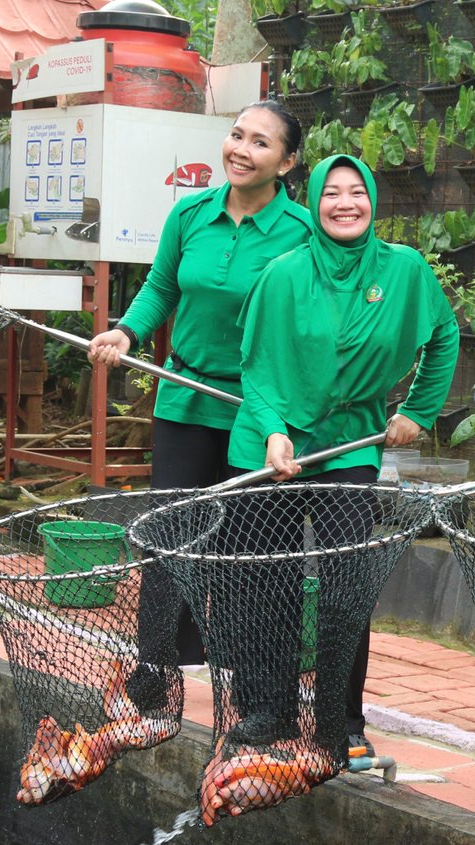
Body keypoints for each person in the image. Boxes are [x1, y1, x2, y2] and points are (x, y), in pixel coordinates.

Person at [221, 153, 458, 762]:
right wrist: (275, 433)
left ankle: (340, 719)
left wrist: (418, 412)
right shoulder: (283, 275)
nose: (345, 203)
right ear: (315, 202)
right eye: (332, 193)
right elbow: (259, 367)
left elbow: (444, 337)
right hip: (271, 441)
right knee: (264, 582)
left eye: (357, 192)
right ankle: (266, 710)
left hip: (351, 441)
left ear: (373, 202)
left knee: (345, 584)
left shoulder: (403, 271)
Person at [85, 100, 311, 704]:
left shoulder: (304, 234)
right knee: (170, 538)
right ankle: (155, 670)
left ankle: (251, 683)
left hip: (257, 415)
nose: (241, 149)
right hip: (184, 400)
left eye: (260, 143)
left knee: (247, 549)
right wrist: (126, 333)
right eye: (236, 135)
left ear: (287, 162)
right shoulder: (189, 214)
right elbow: (160, 289)